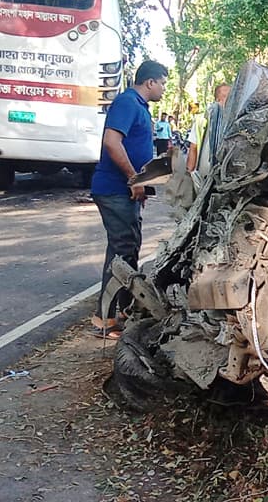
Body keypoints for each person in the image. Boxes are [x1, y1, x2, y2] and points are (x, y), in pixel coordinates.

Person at [90, 60, 168, 338]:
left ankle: (124, 309)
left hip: (127, 190)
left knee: (130, 247)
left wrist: (142, 185)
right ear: (150, 82)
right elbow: (112, 142)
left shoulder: (139, 107)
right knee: (121, 250)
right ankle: (105, 318)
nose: (163, 89)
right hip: (114, 188)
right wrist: (133, 179)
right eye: (162, 84)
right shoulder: (127, 102)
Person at [186, 83, 230, 187]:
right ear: (217, 99)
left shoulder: (235, 119)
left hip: (227, 177)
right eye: (225, 97)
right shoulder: (202, 120)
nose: (229, 101)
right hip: (204, 174)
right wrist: (189, 175)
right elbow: (193, 148)